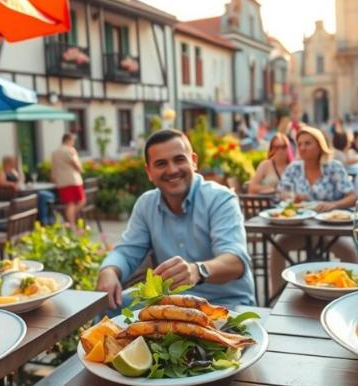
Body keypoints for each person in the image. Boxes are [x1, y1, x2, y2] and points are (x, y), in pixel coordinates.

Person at [96, 129, 255, 309]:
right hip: (171, 303)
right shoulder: (146, 204)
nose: (172, 170)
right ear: (149, 172)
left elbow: (235, 262)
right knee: (107, 305)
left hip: (226, 304)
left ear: (193, 161)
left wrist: (197, 271)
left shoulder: (220, 199)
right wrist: (109, 270)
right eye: (161, 163)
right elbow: (127, 252)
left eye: (179, 160)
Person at [269, 125, 358, 294]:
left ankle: (350, 295)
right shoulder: (294, 168)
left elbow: (353, 196)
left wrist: (335, 205)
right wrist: (291, 199)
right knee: (277, 247)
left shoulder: (334, 167)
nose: (302, 147)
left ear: (319, 145)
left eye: (307, 143)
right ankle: (275, 296)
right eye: (299, 144)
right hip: (300, 229)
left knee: (349, 251)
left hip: (330, 230)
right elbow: (281, 194)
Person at [51, 133, 85, 228]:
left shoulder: (55, 152)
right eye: (73, 141)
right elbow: (76, 164)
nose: (73, 143)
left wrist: (54, 179)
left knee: (70, 204)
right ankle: (70, 222)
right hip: (73, 180)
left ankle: (69, 221)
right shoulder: (70, 150)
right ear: (68, 140)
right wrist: (81, 169)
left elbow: (53, 169)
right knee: (80, 201)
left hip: (61, 182)